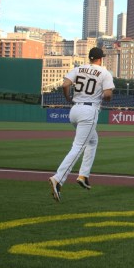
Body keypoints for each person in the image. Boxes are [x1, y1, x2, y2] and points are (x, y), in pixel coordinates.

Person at [49, 47, 115, 202]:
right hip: (89, 111)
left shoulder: (78, 68)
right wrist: (106, 98)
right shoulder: (104, 73)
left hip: (74, 110)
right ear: (101, 59)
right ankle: (58, 178)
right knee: (78, 147)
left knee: (92, 140)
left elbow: (65, 84)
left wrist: (67, 98)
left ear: (90, 58)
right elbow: (107, 94)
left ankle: (83, 175)